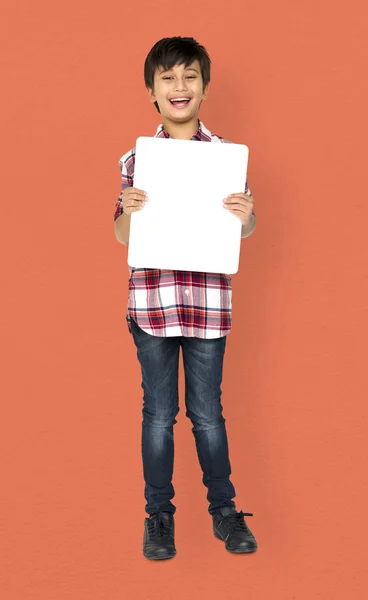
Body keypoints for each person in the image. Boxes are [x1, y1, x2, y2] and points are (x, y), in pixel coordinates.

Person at [113, 36, 258, 560]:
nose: (180, 86)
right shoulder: (135, 159)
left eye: (190, 76)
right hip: (152, 303)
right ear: (152, 90)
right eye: (168, 78)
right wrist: (129, 208)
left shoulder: (226, 158)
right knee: (158, 413)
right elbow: (122, 236)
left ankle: (224, 511)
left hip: (208, 305)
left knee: (207, 414)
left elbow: (246, 228)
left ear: (204, 87)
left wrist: (246, 217)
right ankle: (159, 515)